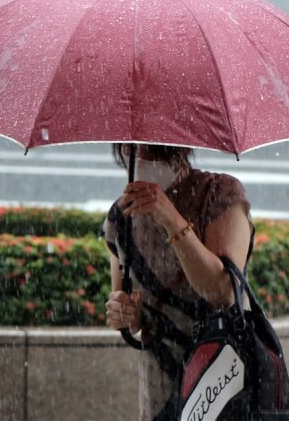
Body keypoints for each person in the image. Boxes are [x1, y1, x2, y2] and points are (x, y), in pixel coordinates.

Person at [102, 143, 253, 420]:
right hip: (159, 384)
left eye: (152, 146)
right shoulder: (121, 219)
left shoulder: (220, 195)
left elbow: (223, 292)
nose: (139, 153)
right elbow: (129, 309)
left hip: (222, 374)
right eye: (129, 144)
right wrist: (126, 314)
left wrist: (170, 217)